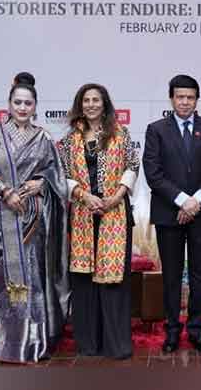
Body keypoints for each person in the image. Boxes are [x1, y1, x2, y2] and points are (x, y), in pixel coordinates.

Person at [0, 82, 70, 363]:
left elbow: (56, 173)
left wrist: (40, 183)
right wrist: (6, 192)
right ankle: (6, 344)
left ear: (35, 107)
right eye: (17, 102)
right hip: (1, 216)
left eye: (28, 103)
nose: (22, 108)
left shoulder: (43, 138)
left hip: (34, 217)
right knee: (4, 277)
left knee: (34, 276)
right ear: (8, 104)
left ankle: (35, 343)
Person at [143, 74, 201, 353]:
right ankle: (171, 330)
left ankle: (197, 329)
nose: (184, 102)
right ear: (171, 98)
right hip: (169, 213)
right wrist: (182, 201)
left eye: (190, 97)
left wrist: (197, 201)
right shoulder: (156, 129)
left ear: (196, 100)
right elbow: (153, 173)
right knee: (171, 274)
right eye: (180, 96)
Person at [57, 83, 139, 359]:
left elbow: (132, 166)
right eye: (86, 100)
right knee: (83, 280)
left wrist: (117, 196)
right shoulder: (69, 140)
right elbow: (63, 175)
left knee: (113, 281)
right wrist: (83, 195)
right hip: (82, 213)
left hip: (114, 213)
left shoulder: (120, 133)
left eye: (96, 100)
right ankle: (88, 344)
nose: (91, 104)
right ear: (80, 105)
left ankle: (115, 345)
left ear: (105, 104)